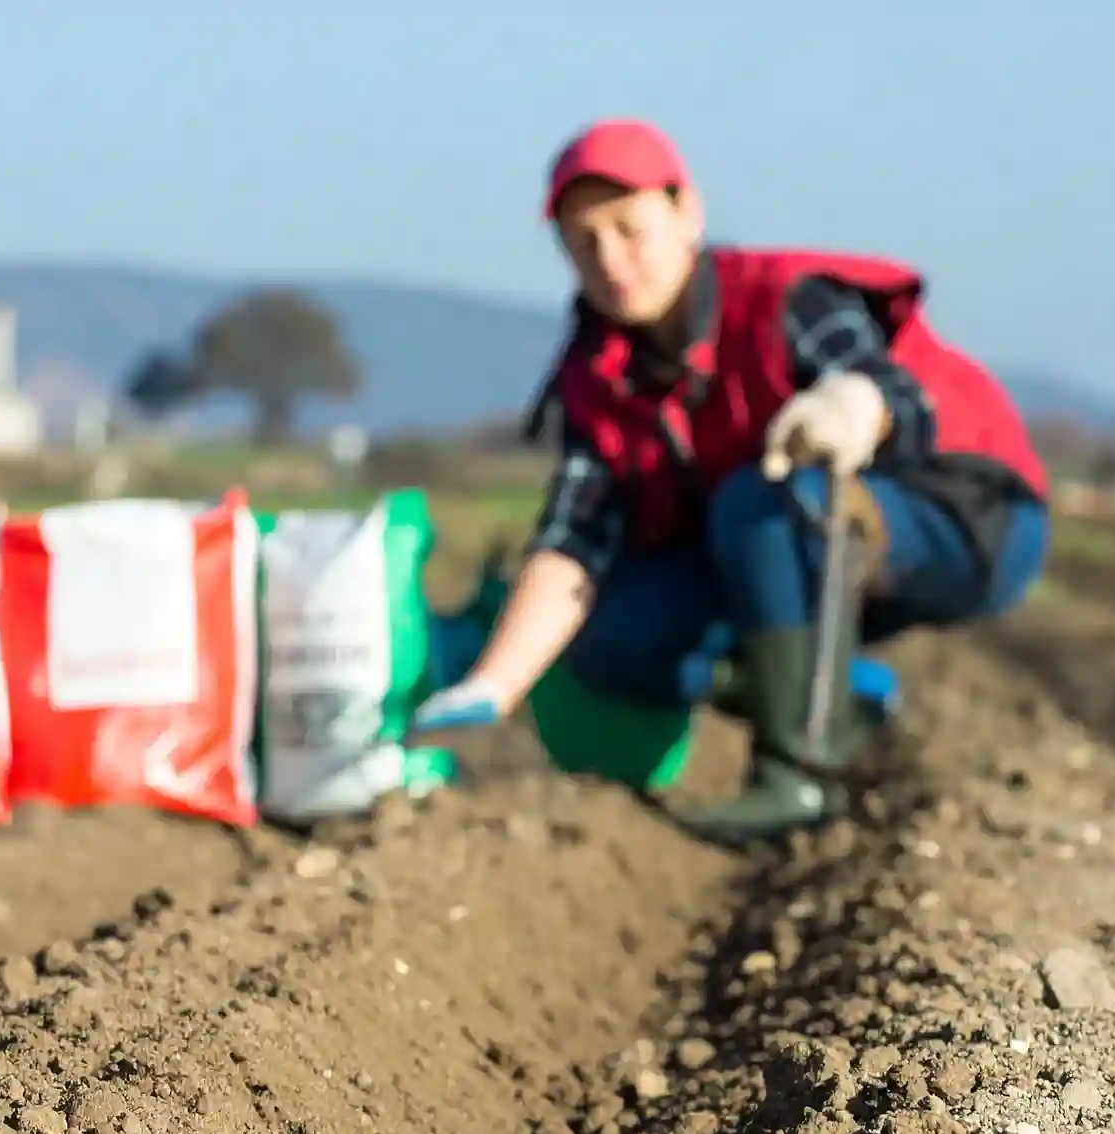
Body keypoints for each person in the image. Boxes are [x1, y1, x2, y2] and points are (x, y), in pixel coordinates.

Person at [413, 117, 1051, 844]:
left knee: (763, 502)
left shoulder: (784, 300)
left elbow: (890, 389)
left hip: (964, 519)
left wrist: (849, 408)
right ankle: (828, 693)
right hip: (782, 546)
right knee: (612, 631)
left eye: (629, 228)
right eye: (583, 243)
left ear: (687, 211)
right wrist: (494, 684)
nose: (611, 261)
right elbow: (574, 538)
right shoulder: (599, 377)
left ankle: (799, 775)